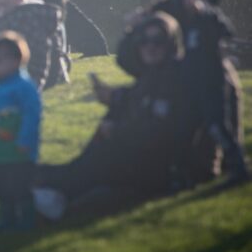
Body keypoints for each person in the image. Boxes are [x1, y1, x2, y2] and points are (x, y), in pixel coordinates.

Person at [34, 13, 192, 219]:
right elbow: (127, 68)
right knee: (110, 121)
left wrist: (118, 131)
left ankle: (55, 189)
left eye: (157, 41)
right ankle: (53, 183)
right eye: (144, 41)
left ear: (170, 44)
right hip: (136, 155)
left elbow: (159, 133)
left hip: (157, 168)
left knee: (102, 157)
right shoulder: (152, 75)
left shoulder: (175, 81)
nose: (149, 47)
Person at [148, 0, 248, 185]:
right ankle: (179, 175)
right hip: (184, 83)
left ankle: (237, 169)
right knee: (182, 130)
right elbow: (152, 15)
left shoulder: (211, 17)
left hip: (211, 81)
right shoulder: (171, 10)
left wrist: (205, 13)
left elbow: (226, 33)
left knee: (217, 126)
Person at [0, 32, 42, 232]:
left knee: (20, 187)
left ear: (15, 61)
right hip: (0, 152)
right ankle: (6, 220)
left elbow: (32, 116)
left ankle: (28, 221)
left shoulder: (24, 87)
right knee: (1, 186)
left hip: (20, 151)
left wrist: (26, 140)